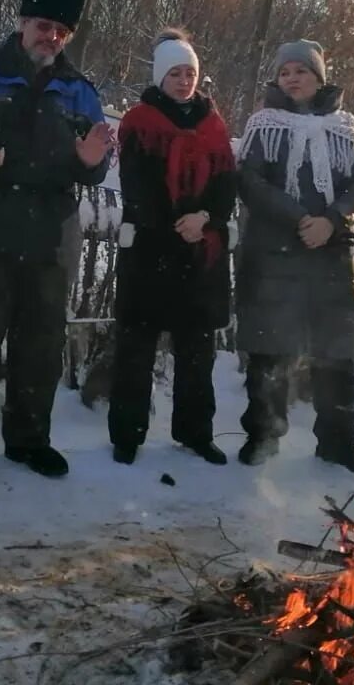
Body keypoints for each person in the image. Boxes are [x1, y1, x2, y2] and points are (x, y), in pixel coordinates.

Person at [0, 0, 112, 497]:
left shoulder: (79, 89)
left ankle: (28, 438)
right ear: (21, 24)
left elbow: (94, 167)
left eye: (61, 31)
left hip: (51, 236)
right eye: (43, 26)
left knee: (40, 345)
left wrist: (90, 163)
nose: (51, 37)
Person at [234, 40, 354, 475]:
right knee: (270, 350)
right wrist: (300, 219)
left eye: (302, 71)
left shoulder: (345, 128)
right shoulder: (264, 125)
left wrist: (332, 220)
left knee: (335, 354)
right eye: (285, 72)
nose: (292, 78)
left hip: (333, 256)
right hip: (276, 255)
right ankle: (263, 435)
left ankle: (338, 441)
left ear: (320, 77)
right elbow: (251, 183)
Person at [109, 31, 236, 466]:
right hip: (150, 251)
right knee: (136, 349)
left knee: (197, 352)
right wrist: (173, 224)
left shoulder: (214, 126)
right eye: (175, 73)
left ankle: (196, 431)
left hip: (199, 254)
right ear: (160, 76)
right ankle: (127, 433)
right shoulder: (139, 121)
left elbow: (224, 188)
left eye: (190, 73)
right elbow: (136, 186)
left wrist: (206, 221)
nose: (184, 81)